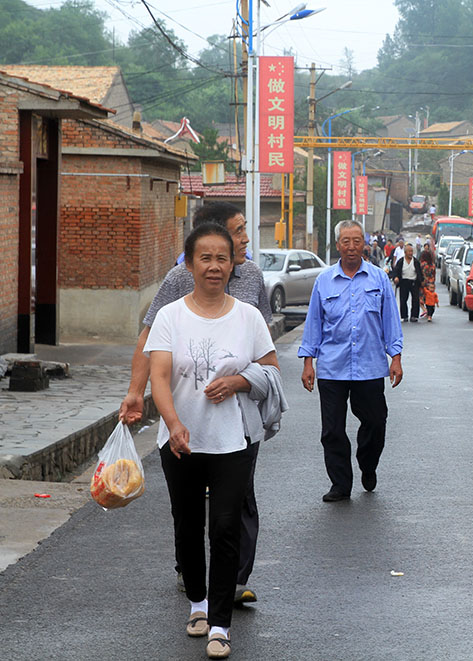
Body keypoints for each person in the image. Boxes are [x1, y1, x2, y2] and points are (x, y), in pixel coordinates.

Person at [119, 201, 270, 606]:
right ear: (195, 255)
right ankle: (194, 581)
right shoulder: (174, 285)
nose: (242, 241)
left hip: (236, 423)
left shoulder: (251, 277)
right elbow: (150, 343)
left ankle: (232, 580)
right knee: (188, 515)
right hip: (183, 421)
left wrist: (242, 381)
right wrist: (137, 392)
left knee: (233, 509)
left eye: (236, 242)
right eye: (236, 232)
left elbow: (267, 354)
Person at [146, 223, 280, 660]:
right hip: (180, 440)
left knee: (224, 526)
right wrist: (173, 422)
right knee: (187, 523)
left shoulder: (249, 317)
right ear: (188, 264)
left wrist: (240, 381)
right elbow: (159, 376)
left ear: (232, 263)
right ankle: (198, 605)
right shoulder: (171, 316)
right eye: (204, 257)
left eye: (222, 257)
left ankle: (220, 624)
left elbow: (272, 371)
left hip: (234, 440)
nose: (214, 266)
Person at [299, 220, 404, 502]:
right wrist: (308, 362)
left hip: (370, 367)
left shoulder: (378, 278)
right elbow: (314, 324)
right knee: (332, 429)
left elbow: (390, 321)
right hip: (332, 368)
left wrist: (396, 357)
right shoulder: (324, 281)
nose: (352, 247)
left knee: (375, 422)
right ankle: (340, 485)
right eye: (346, 241)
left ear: (364, 244)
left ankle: (367, 464)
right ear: (338, 245)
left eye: (357, 240)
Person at [391, 243, 424, 323]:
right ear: (405, 252)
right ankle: (404, 316)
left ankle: (414, 316)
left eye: (412, 251)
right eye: (409, 251)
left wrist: (422, 281)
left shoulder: (416, 262)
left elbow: (420, 272)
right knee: (403, 299)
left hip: (414, 282)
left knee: (415, 299)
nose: (411, 253)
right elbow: (396, 271)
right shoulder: (401, 261)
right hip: (404, 282)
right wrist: (395, 278)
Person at [418, 244, 436, 319]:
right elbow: (434, 274)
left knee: (420, 298)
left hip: (423, 283)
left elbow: (420, 273)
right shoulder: (433, 265)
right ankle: (429, 312)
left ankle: (424, 309)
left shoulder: (422, 265)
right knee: (430, 299)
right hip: (431, 283)